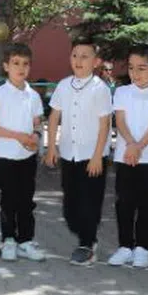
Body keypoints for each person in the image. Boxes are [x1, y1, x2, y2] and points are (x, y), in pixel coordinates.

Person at [44, 38, 113, 266]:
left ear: (96, 62)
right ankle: (83, 234)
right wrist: (51, 146)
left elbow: (104, 124)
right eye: (75, 55)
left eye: (85, 56)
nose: (78, 60)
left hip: (92, 157)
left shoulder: (100, 89)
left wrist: (97, 156)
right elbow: (54, 117)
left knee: (89, 202)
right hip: (68, 154)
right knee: (70, 207)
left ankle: (87, 244)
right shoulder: (64, 85)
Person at [107, 44, 148, 269]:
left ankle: (143, 248)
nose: (135, 73)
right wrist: (131, 145)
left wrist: (139, 146)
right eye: (132, 68)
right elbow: (120, 121)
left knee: (147, 204)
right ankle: (125, 246)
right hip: (125, 156)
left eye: (142, 68)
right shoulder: (122, 92)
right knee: (124, 203)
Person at [0, 42, 47, 262]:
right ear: (6, 66)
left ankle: (26, 241)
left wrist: (36, 138)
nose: (21, 68)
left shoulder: (34, 96)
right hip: (4, 157)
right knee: (9, 200)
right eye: (16, 63)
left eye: (25, 64)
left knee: (26, 201)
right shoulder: (0, 94)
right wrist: (19, 136)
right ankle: (9, 240)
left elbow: (38, 124)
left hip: (27, 158)